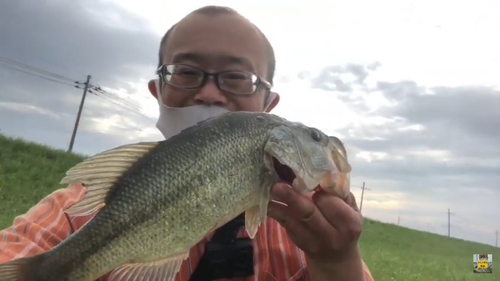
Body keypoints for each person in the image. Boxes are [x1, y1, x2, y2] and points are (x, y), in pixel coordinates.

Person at [0, 5, 374, 281]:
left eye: (237, 77)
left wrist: (337, 264)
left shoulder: (307, 235)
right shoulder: (75, 211)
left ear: (269, 107)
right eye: (186, 73)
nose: (209, 93)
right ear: (158, 91)